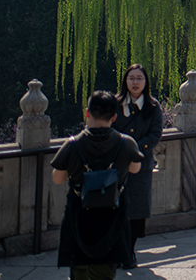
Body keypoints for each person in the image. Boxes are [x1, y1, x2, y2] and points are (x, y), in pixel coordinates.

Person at [51, 91, 143, 280]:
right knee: (105, 272)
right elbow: (135, 168)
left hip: (80, 215)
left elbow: (57, 178)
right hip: (112, 215)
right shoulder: (126, 143)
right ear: (114, 117)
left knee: (80, 271)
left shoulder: (72, 144)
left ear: (87, 113)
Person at [113, 64, 164, 267]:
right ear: (125, 81)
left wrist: (136, 149)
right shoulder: (116, 104)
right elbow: (109, 128)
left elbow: (155, 133)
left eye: (139, 78)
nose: (135, 82)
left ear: (145, 82)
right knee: (116, 208)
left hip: (141, 165)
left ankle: (130, 251)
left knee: (136, 210)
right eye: (132, 78)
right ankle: (118, 252)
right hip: (116, 165)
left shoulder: (152, 106)